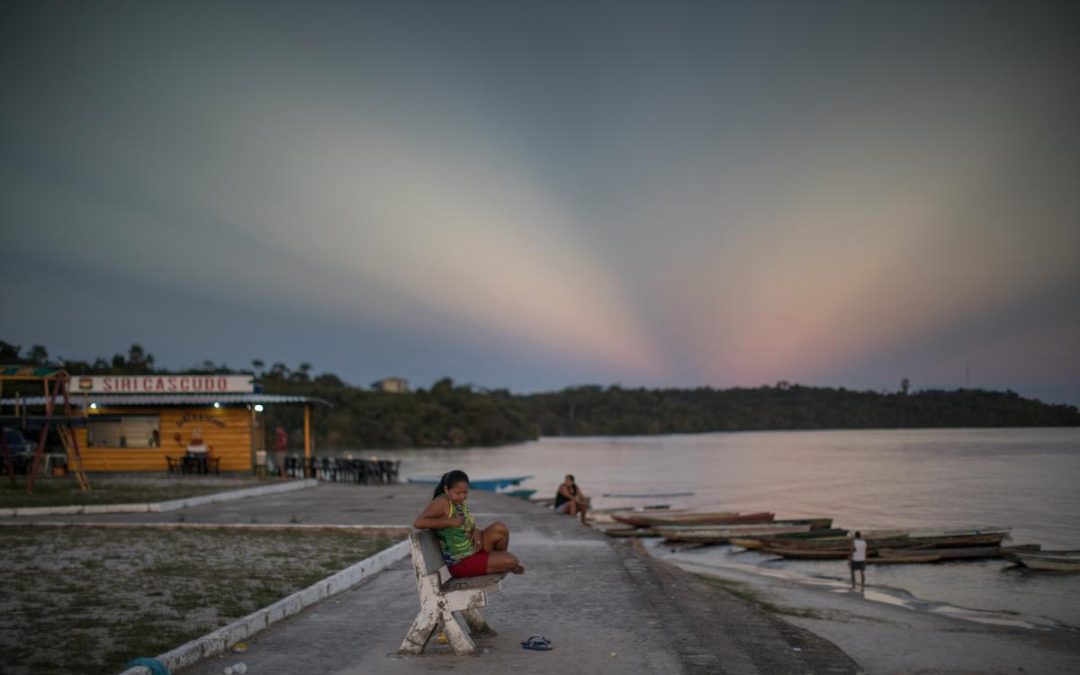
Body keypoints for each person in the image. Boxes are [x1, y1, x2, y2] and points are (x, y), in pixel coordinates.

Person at [413, 470, 525, 577]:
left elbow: (466, 526)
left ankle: (498, 563)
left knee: (500, 528)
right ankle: (501, 563)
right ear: (446, 490)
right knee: (512, 560)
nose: (462, 496)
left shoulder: (459, 503)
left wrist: (476, 530)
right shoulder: (442, 502)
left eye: (465, 492)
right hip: (461, 562)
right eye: (457, 493)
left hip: (473, 549)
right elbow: (418, 522)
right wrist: (449, 521)